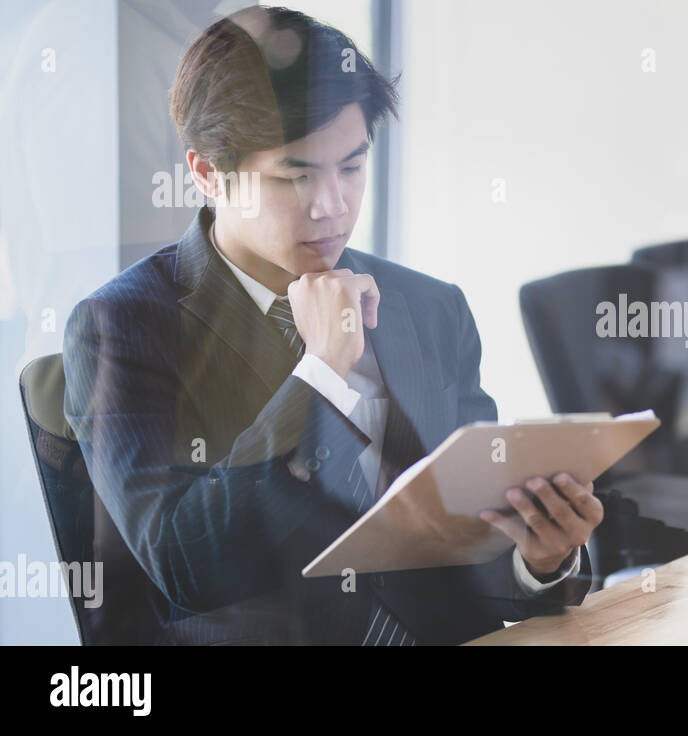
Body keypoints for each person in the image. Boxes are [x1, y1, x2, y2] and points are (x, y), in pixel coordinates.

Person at [62, 6, 599, 645]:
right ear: (207, 172)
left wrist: (538, 559)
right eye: (294, 176)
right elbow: (185, 566)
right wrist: (318, 372)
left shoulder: (429, 307)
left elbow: (471, 534)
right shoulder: (121, 328)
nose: (332, 207)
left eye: (351, 167)